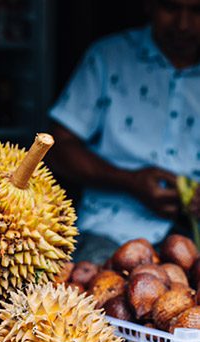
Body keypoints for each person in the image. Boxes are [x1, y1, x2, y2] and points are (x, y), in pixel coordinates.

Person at [48, 0, 200, 261]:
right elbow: (57, 147)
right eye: (171, 7)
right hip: (110, 232)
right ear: (149, 4)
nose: (183, 24)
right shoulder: (108, 57)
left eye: (198, 11)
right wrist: (129, 181)